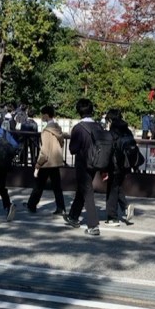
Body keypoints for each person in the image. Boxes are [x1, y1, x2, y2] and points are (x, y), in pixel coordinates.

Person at [64, 98, 102, 236]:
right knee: (82, 189)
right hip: (96, 163)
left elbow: (73, 149)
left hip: (83, 163)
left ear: (79, 112)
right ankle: (73, 216)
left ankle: (93, 225)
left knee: (87, 191)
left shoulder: (78, 128)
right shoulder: (99, 127)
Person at [23, 105, 66, 216]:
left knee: (39, 185)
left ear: (46, 115)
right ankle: (61, 207)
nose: (42, 116)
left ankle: (31, 205)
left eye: (43, 114)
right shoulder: (58, 128)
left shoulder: (46, 131)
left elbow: (44, 151)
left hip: (47, 162)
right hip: (56, 161)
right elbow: (62, 143)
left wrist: (38, 164)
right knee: (57, 186)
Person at [104, 108, 135, 226]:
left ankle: (112, 217)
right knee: (117, 187)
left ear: (111, 119)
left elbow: (109, 150)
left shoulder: (113, 132)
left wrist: (104, 167)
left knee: (112, 188)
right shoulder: (127, 130)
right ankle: (126, 207)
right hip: (126, 164)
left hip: (114, 164)